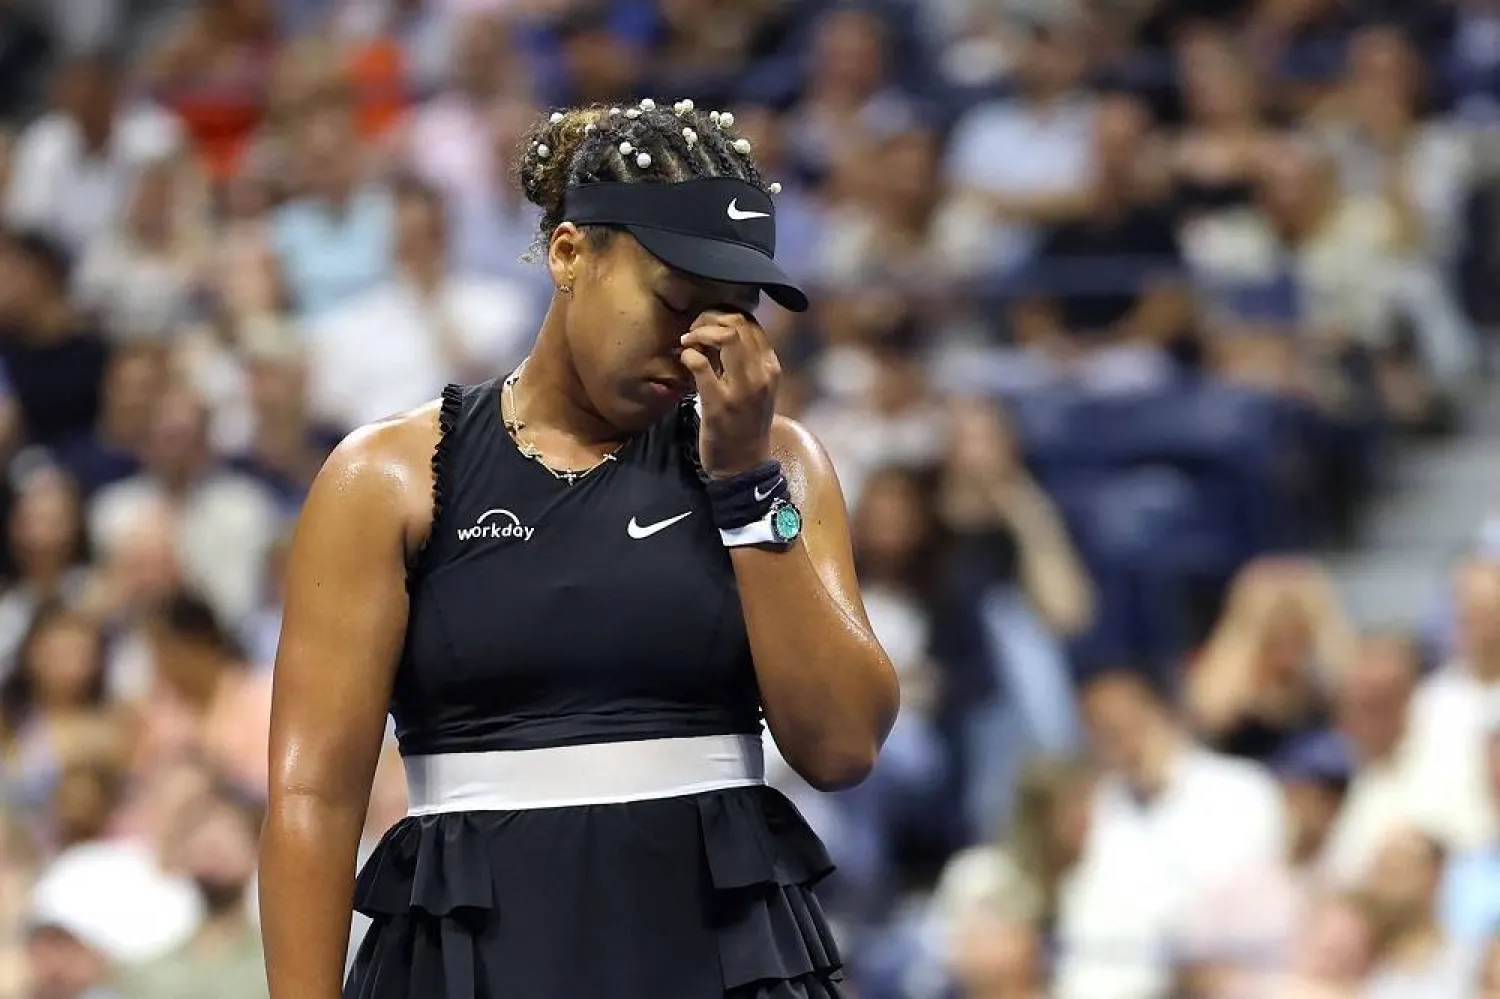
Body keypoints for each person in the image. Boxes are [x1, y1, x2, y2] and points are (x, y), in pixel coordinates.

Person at [259, 98, 900, 999]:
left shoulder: (778, 462)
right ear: (569, 253)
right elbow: (312, 798)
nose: (695, 350)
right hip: (478, 961)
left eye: (732, 317)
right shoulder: (387, 477)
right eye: (675, 303)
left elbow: (839, 747)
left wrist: (747, 489)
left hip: (719, 959)